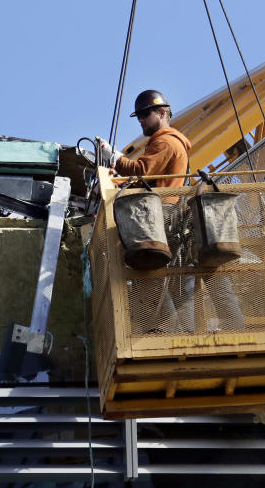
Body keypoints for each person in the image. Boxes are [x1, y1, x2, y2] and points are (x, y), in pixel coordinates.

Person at [103, 90, 243, 333]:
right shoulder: (163, 142)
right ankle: (179, 330)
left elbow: (141, 171)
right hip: (166, 216)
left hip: (162, 217)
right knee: (176, 281)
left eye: (146, 114)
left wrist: (115, 159)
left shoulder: (166, 141)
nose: (141, 120)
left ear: (162, 113)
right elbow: (146, 180)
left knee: (151, 274)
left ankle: (168, 329)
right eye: (139, 116)